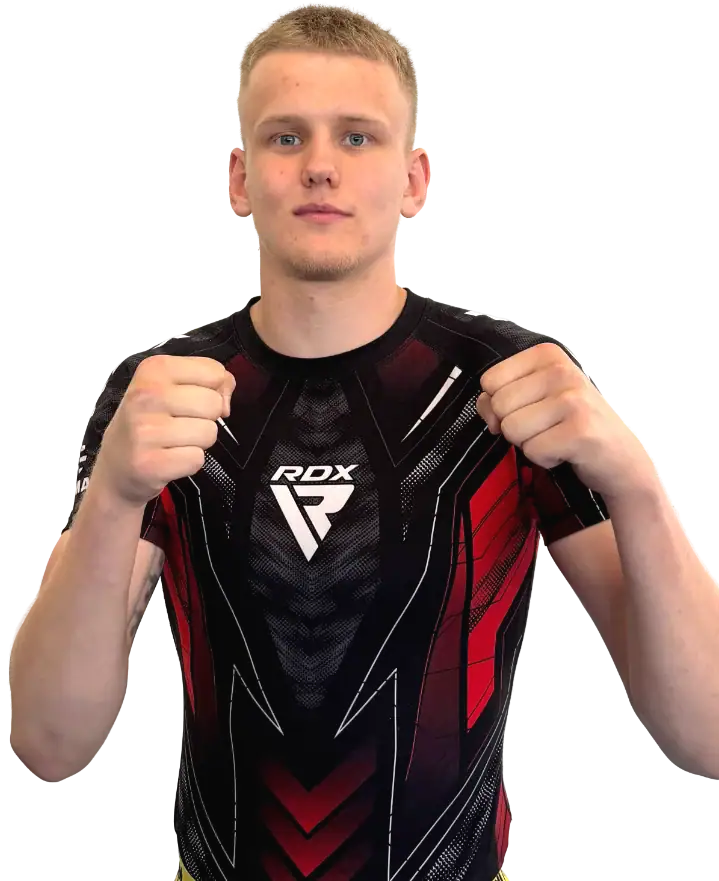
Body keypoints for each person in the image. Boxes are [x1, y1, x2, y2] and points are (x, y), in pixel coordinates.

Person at [9, 4, 718, 881]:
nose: (319, 165)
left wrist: (640, 485)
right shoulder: (161, 394)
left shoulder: (511, 386)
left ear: (415, 179)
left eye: (356, 136)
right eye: (284, 137)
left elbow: (705, 737)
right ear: (238, 179)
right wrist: (114, 496)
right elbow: (49, 744)